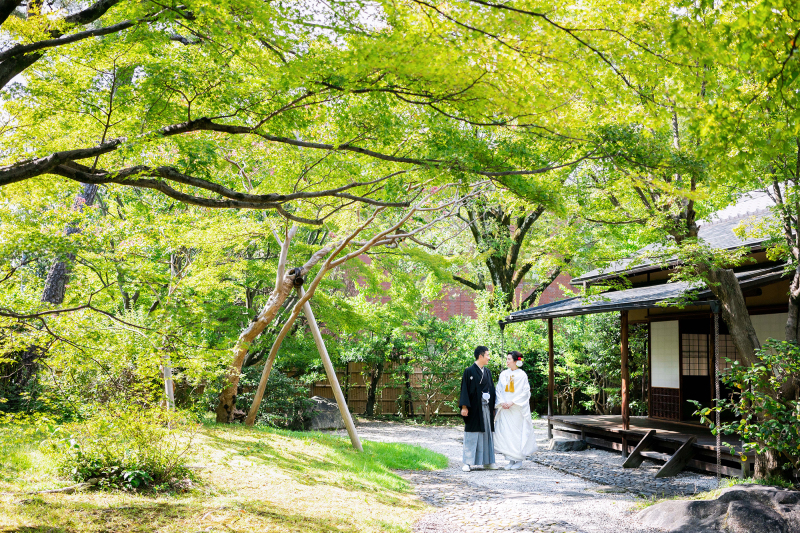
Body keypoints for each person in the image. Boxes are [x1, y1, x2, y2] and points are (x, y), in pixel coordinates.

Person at [494, 350, 538, 470]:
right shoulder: (503, 374)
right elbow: (498, 389)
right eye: (507, 359)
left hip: (517, 408)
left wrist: (513, 402)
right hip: (505, 408)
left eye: (509, 359)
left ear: (515, 361)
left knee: (516, 433)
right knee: (506, 433)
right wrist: (502, 401)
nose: (507, 361)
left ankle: (518, 460)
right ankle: (510, 459)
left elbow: (525, 392)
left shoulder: (522, 374)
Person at [459, 345, 499, 472]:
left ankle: (488, 461)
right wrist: (464, 406)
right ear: (481, 356)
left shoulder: (487, 372)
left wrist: (494, 406)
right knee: (472, 433)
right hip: (474, 407)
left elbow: (492, 389)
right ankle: (467, 462)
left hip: (486, 407)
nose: (489, 357)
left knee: (487, 433)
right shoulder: (469, 371)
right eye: (487, 355)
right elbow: (464, 389)